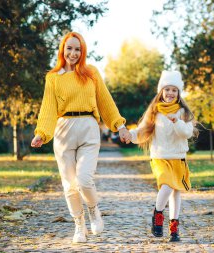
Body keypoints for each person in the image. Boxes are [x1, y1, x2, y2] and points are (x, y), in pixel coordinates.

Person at [31, 32, 130, 243]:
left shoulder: (91, 73)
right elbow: (48, 109)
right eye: (69, 48)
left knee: (84, 180)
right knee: (69, 185)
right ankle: (79, 225)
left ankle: (94, 210)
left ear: (82, 51)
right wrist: (42, 133)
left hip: (88, 127)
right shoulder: (53, 78)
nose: (73, 53)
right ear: (62, 50)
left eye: (78, 49)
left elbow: (105, 101)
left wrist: (120, 126)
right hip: (63, 130)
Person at [126, 70, 198, 242]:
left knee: (175, 192)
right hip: (159, 157)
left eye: (174, 90)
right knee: (166, 185)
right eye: (167, 89)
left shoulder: (183, 113)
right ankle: (157, 215)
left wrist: (177, 122)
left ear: (178, 93)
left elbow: (187, 133)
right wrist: (131, 135)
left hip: (178, 157)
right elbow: (143, 131)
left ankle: (174, 228)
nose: (170, 93)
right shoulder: (154, 111)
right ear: (161, 91)